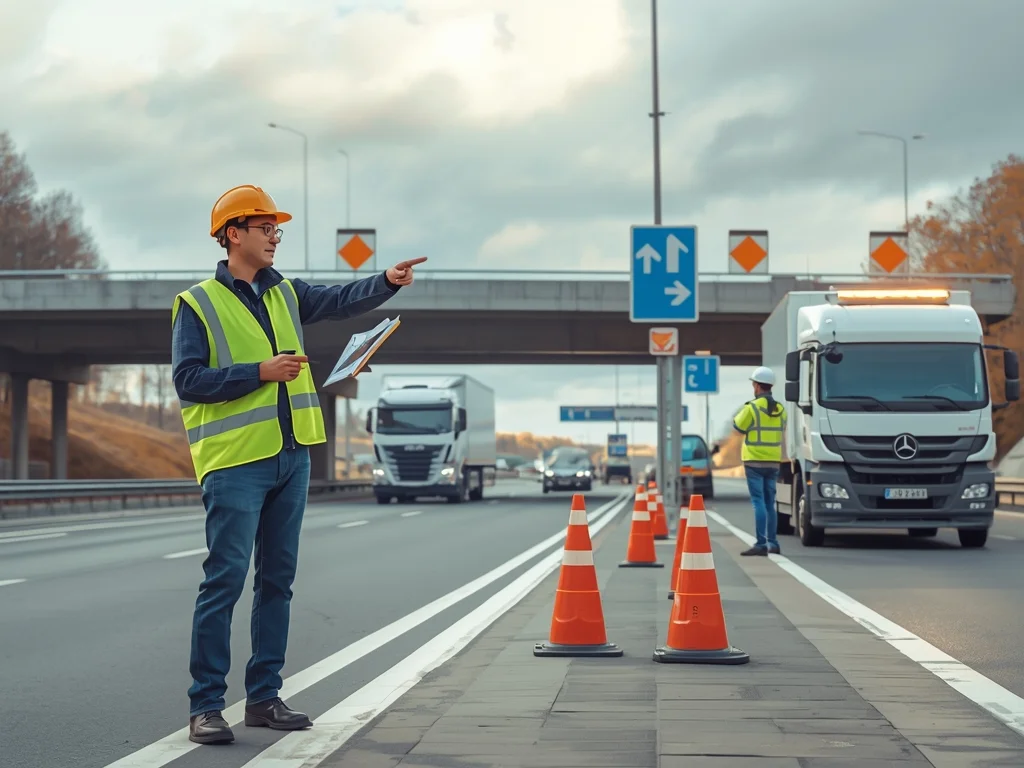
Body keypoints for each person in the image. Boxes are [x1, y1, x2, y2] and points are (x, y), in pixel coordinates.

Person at [171, 184, 426, 745]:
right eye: (266, 228)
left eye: (277, 229)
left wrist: (386, 282)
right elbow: (188, 381)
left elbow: (339, 300)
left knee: (278, 582)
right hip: (236, 462)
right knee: (225, 580)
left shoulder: (285, 291)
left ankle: (263, 697)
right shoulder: (197, 304)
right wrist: (259, 371)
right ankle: (206, 705)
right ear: (233, 234)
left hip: (292, 454)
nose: (274, 237)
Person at [732, 366, 787, 557]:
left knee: (758, 502)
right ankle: (773, 543)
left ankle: (761, 544)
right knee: (770, 502)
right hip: (773, 461)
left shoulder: (752, 408)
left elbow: (738, 426)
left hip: (754, 461)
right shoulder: (781, 409)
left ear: (756, 386)